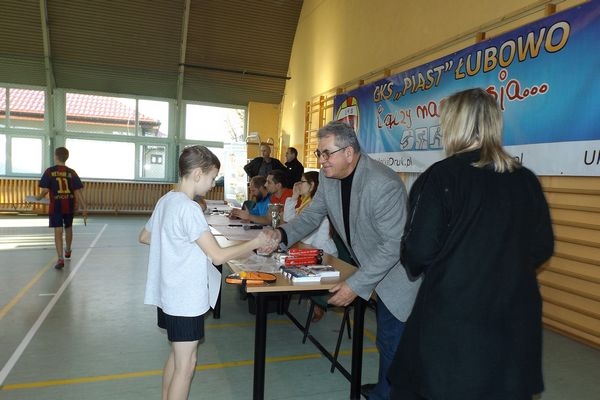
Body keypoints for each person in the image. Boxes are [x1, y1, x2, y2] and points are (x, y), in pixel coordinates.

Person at [388, 88, 555, 400]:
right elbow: (542, 246)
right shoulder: (526, 179)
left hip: (454, 319)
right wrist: (501, 270)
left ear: (453, 125)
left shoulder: (441, 177)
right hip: (512, 315)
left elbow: (419, 252)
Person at [260, 120, 421, 400]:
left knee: (393, 342)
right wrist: (282, 234)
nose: (321, 160)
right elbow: (312, 215)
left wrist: (355, 285)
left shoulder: (382, 183)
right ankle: (384, 389)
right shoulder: (330, 178)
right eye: (319, 153)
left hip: (398, 275)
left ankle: (391, 393)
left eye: (327, 153)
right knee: (387, 342)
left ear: (349, 152)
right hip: (371, 265)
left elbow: (394, 245)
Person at [139, 145, 271, 400]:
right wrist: (256, 242)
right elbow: (217, 255)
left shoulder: (166, 200)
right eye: (212, 178)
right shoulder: (189, 209)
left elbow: (145, 236)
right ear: (198, 174)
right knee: (186, 365)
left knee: (177, 357)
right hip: (184, 299)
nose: (212, 184)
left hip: (169, 295)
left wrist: (176, 242)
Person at [283, 171, 338, 322]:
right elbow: (289, 219)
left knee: (286, 262)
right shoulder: (306, 202)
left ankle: (317, 303)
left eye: (302, 182)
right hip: (311, 250)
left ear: (312, 185)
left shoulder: (316, 207)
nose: (298, 185)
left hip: (325, 257)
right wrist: (294, 197)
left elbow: (305, 236)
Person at [35, 147, 88, 270]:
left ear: (55, 156)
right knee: (68, 227)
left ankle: (60, 258)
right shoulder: (72, 172)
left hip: (56, 206)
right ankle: (68, 250)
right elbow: (78, 191)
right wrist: (84, 208)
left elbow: (45, 190)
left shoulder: (50, 171)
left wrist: (38, 198)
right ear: (66, 157)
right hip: (69, 205)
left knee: (58, 231)